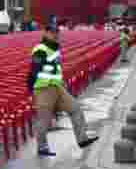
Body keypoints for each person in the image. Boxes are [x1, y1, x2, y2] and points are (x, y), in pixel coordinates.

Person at [29, 17, 99, 157]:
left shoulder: (54, 48)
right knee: (44, 120)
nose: (55, 34)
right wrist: (36, 89)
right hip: (44, 88)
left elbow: (56, 68)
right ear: (46, 33)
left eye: (57, 32)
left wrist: (61, 82)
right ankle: (42, 147)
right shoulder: (40, 49)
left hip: (57, 87)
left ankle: (82, 139)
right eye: (52, 32)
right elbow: (36, 68)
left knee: (75, 108)